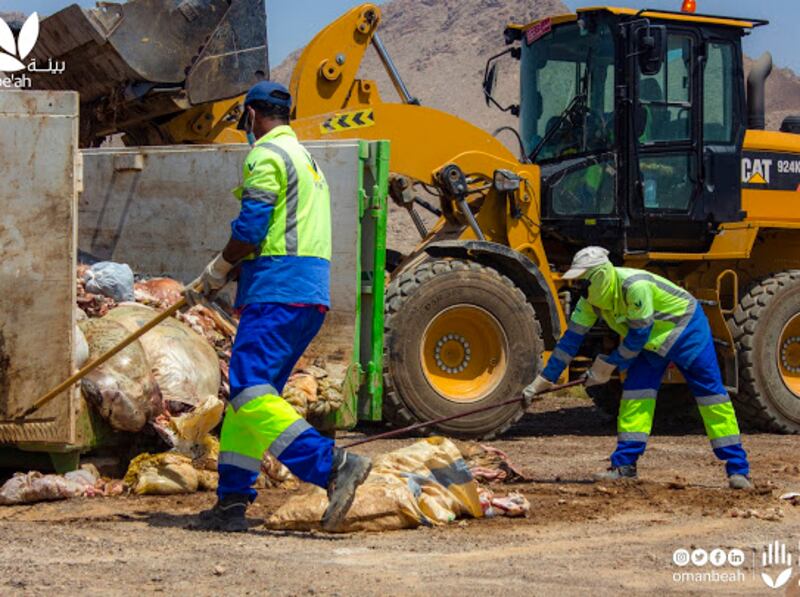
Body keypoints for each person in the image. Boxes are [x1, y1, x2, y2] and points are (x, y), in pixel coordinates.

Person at [190, 81, 371, 532]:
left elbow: (251, 230)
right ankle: (232, 502)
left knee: (249, 389)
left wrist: (216, 271)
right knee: (248, 401)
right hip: (307, 295)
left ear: (251, 115)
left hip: (276, 291)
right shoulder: (308, 161)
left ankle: (331, 465)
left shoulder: (266, 155)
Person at [524, 246, 751, 489]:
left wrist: (610, 365)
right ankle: (624, 467)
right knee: (635, 396)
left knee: (711, 396)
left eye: (582, 282)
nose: (579, 288)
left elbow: (639, 335)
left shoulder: (634, 286)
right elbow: (569, 343)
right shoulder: (590, 303)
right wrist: (543, 381)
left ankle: (738, 470)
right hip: (651, 343)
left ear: (599, 277)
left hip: (686, 332)